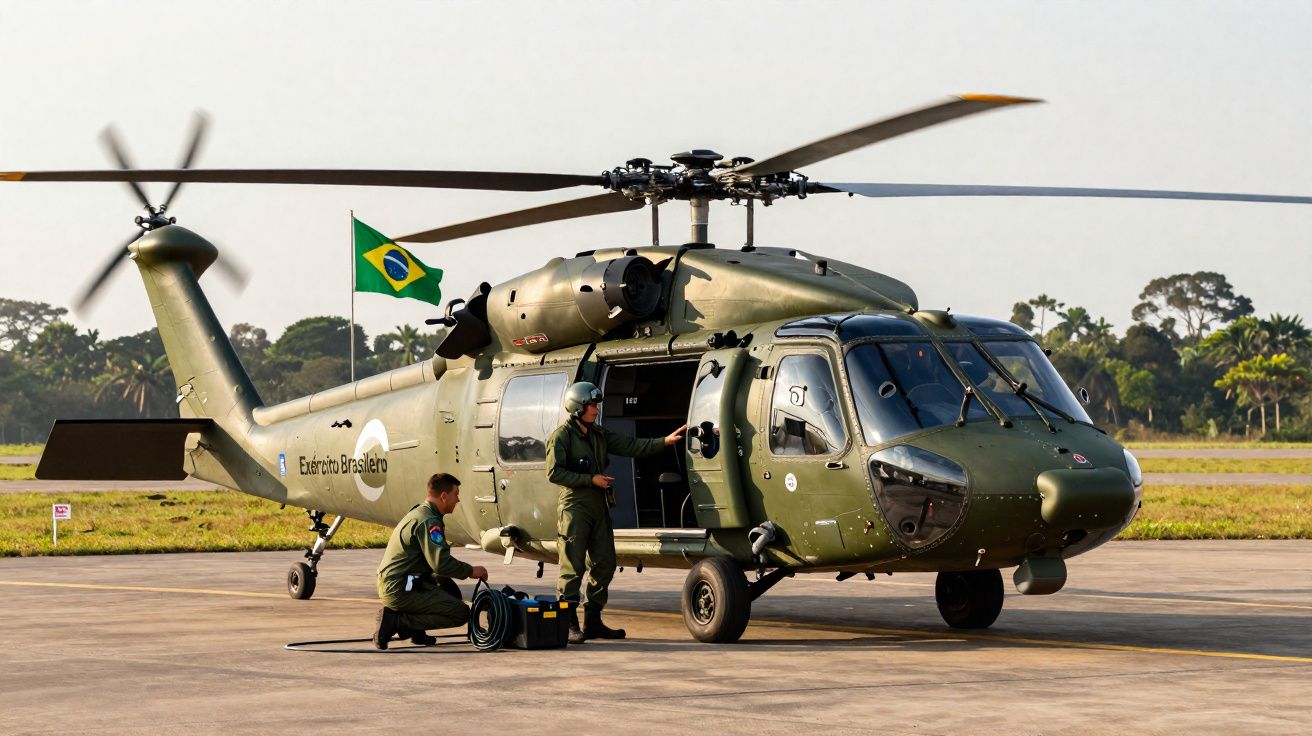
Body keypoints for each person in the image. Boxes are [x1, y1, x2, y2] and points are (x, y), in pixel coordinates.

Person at [547, 381, 686, 643]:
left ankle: (593, 619)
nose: (596, 410)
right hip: (574, 506)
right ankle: (567, 622)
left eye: (596, 405)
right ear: (577, 407)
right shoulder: (562, 436)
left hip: (599, 504)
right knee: (572, 566)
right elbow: (554, 472)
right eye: (591, 405)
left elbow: (632, 446)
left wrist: (664, 441)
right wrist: (590, 480)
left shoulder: (599, 434)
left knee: (606, 563)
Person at [372, 472, 488, 650]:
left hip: (401, 581)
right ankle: (397, 622)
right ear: (443, 496)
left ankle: (416, 631)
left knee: (449, 590)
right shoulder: (429, 522)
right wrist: (471, 571)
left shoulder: (420, 512)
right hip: (399, 588)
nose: (457, 500)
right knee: (460, 612)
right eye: (455, 494)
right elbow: (441, 564)